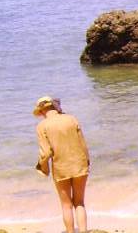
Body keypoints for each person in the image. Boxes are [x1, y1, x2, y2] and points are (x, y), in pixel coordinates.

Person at [34, 96, 90, 233]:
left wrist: (42, 167)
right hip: (80, 164)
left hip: (61, 168)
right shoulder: (71, 119)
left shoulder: (42, 126)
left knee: (66, 205)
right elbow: (83, 144)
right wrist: (86, 161)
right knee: (79, 202)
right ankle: (83, 231)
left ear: (41, 111)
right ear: (55, 107)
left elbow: (46, 153)